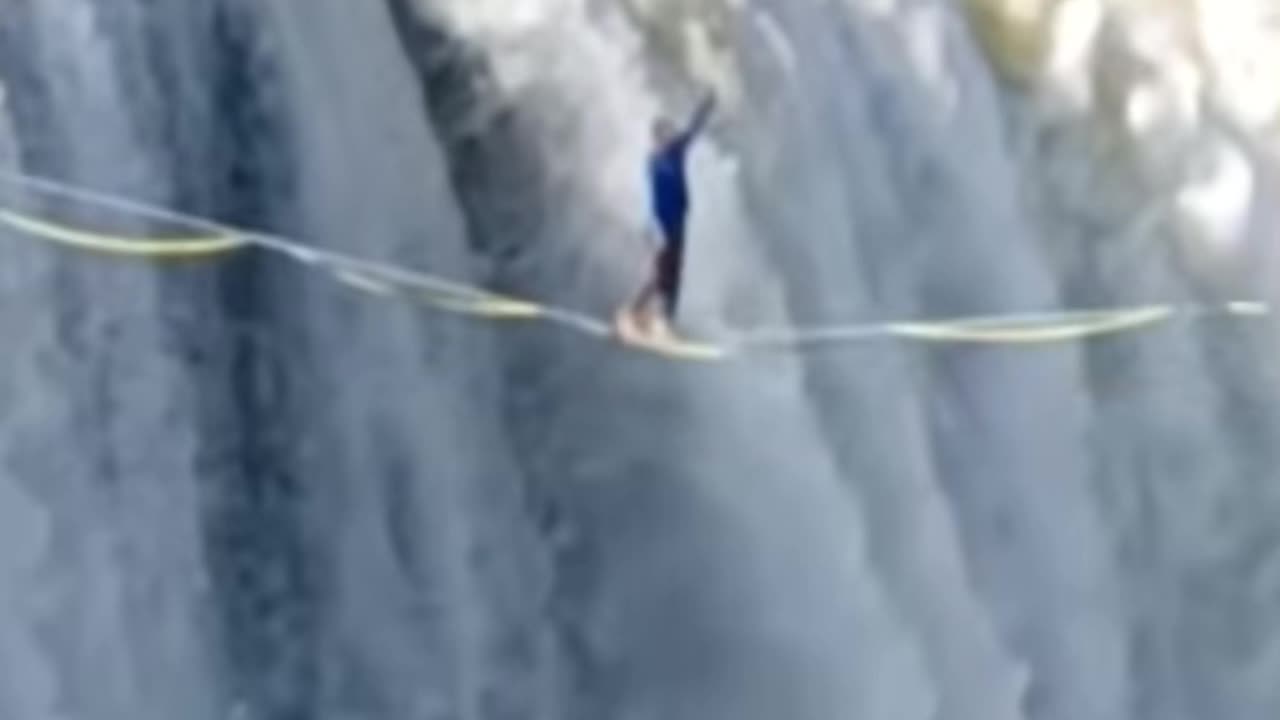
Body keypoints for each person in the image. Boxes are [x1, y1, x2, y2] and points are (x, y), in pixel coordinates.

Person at [622, 89, 716, 337]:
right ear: (658, 137)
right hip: (660, 226)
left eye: (669, 132)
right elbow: (691, 131)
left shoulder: (665, 155)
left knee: (673, 278)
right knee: (661, 275)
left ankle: (663, 322)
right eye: (664, 133)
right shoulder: (662, 155)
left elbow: (691, 131)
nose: (670, 135)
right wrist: (705, 107)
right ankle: (636, 315)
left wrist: (705, 109)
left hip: (675, 224)